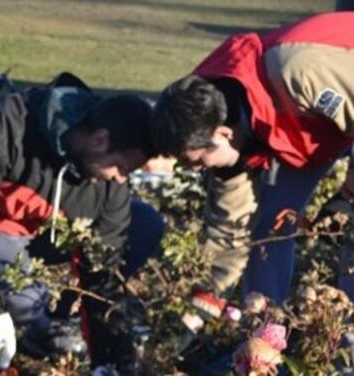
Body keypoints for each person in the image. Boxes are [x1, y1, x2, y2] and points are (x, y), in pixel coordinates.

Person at [0, 72, 162, 376]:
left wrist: (108, 358)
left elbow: (103, 267)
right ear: (100, 139)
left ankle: (55, 323)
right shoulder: (7, 123)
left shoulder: (110, 178)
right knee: (20, 300)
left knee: (143, 224)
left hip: (41, 231)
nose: (121, 179)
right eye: (121, 167)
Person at [151, 12, 354, 314]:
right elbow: (229, 232)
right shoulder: (223, 130)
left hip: (332, 89)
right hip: (310, 126)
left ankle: (346, 341)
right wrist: (198, 314)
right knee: (272, 224)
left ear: (221, 133)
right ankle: (263, 335)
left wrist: (348, 195)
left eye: (195, 161)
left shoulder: (297, 71)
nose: (196, 169)